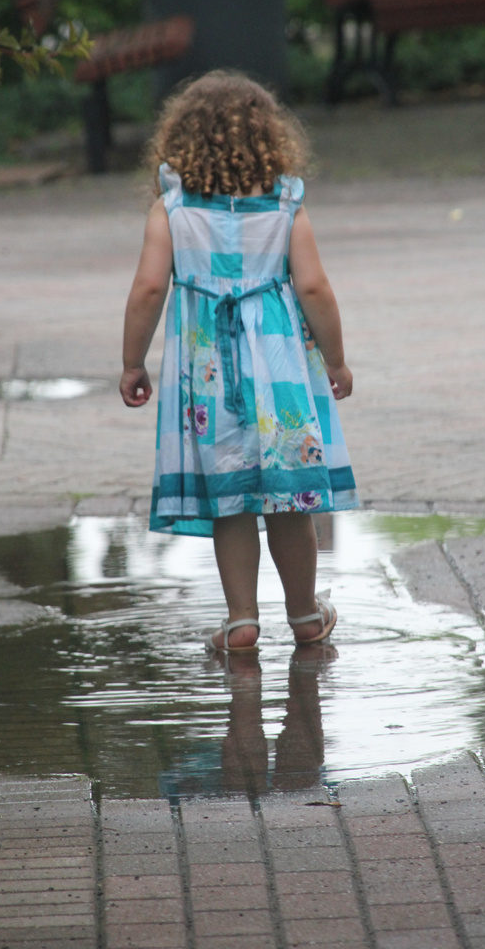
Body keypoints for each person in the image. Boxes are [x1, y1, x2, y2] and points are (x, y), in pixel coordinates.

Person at [120, 70, 358, 653]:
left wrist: (132, 362)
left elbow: (149, 289)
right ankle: (304, 614)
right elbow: (316, 289)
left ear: (182, 139)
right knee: (288, 496)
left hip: (207, 378)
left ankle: (241, 621)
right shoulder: (284, 205)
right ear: (268, 138)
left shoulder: (171, 209)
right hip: (279, 377)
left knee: (230, 499)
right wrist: (337, 358)